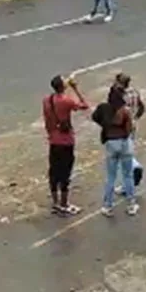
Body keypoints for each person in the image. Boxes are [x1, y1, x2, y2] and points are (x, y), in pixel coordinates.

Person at [43, 75, 89, 215]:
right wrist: (75, 88)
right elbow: (84, 105)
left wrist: (51, 134)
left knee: (54, 172)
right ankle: (64, 204)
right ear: (63, 86)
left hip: (53, 140)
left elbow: (47, 121)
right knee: (65, 173)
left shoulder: (47, 100)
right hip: (66, 141)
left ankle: (55, 202)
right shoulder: (66, 101)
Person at [93, 84, 139, 216]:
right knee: (128, 175)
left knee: (111, 176)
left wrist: (105, 127)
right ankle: (131, 205)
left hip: (111, 143)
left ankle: (108, 206)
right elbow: (129, 128)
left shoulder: (104, 108)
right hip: (124, 143)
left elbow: (95, 118)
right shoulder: (125, 111)